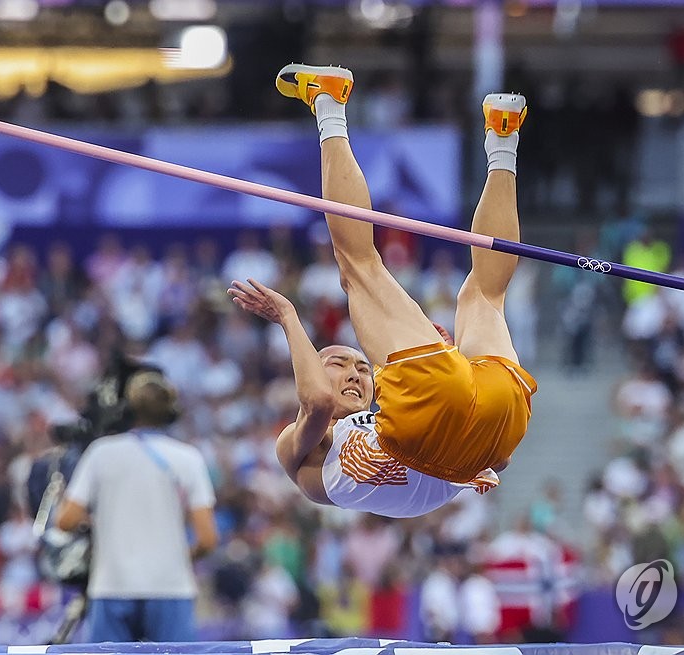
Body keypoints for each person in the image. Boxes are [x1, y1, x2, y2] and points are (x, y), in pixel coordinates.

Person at [225, 63, 538, 518]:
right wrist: (290, 318)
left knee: (482, 294)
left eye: (361, 368)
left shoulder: (317, 438)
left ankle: (502, 138)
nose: (355, 372)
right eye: (338, 362)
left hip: (470, 422)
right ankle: (329, 104)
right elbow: (316, 402)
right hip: (464, 427)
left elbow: (318, 399)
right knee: (359, 267)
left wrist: (467, 441)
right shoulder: (311, 444)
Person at [56, 371, 218, 642]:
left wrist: (98, 522)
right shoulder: (188, 458)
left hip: (112, 584)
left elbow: (66, 519)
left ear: (128, 409)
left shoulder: (101, 453)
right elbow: (208, 539)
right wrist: (178, 558)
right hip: (170, 587)